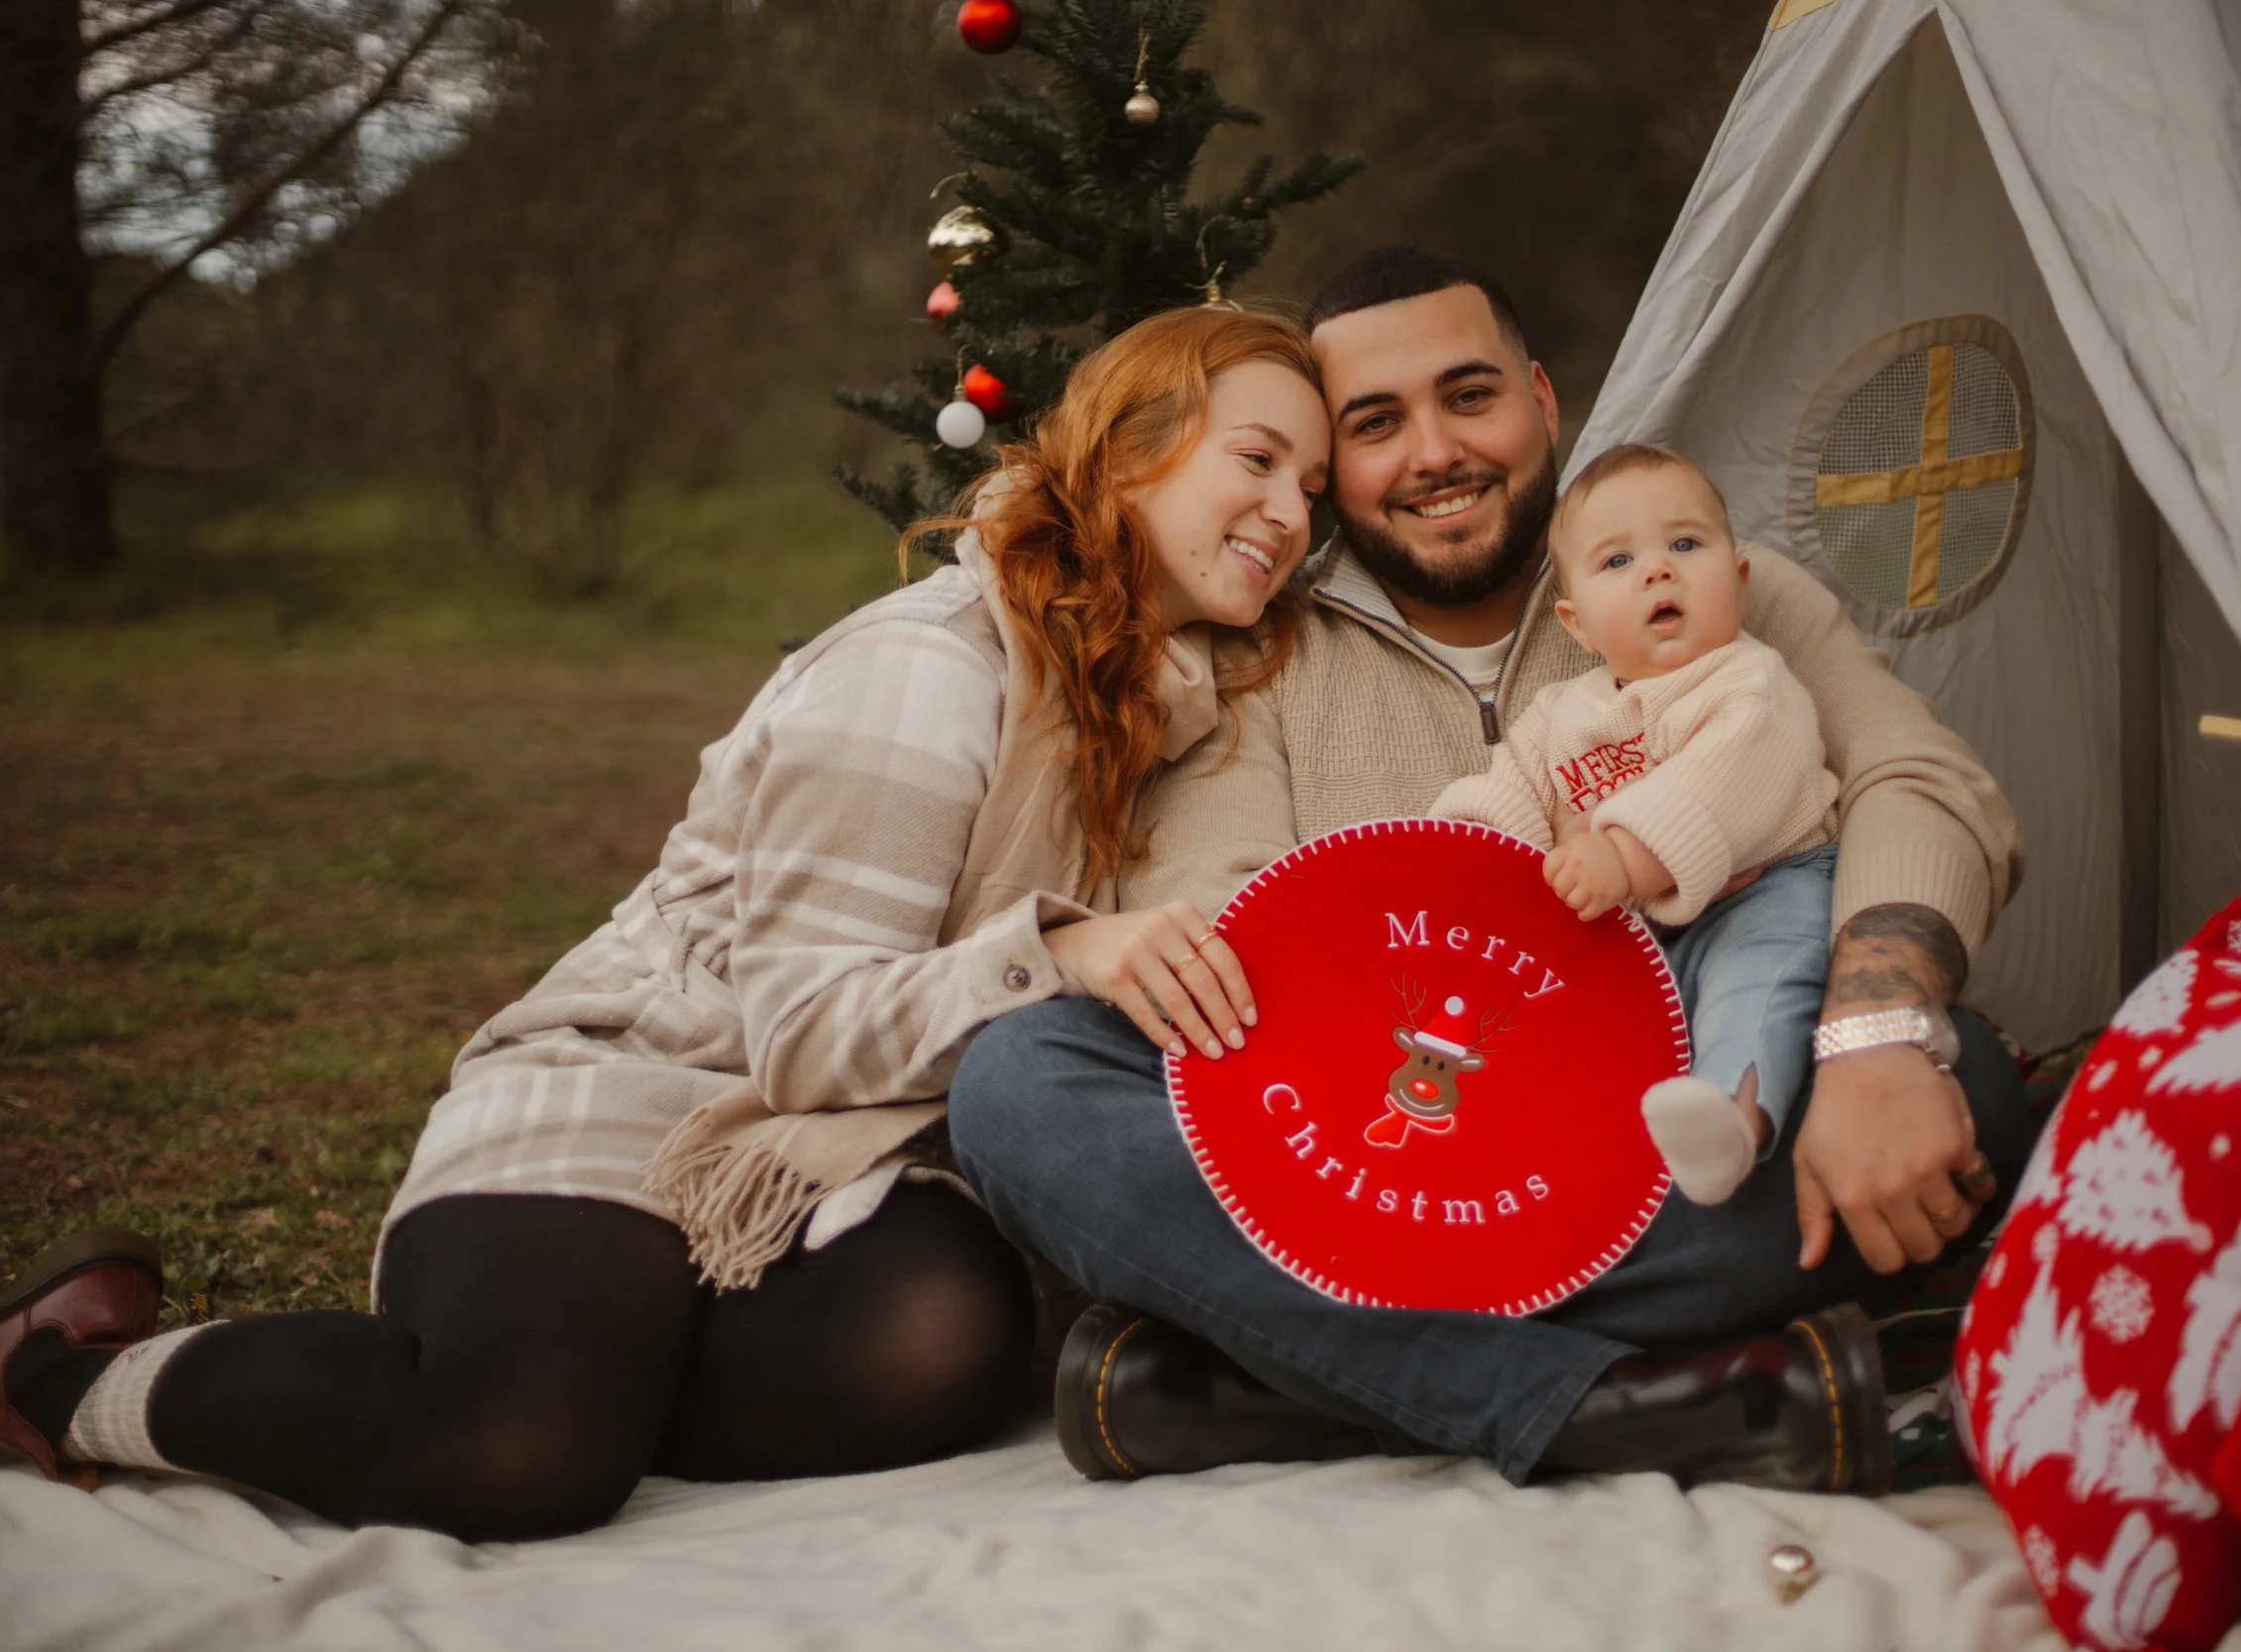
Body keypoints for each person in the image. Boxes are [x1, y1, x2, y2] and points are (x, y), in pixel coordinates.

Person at [0, 306, 1326, 1541]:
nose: (1288, 511)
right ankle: (64, 1371)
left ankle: (576, 1368)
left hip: (816, 1151)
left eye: (1313, 489)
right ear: (1133, 450)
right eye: (1258, 458)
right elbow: (802, 1020)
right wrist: (1071, 948)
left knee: (940, 1336)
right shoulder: (931, 664)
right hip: (640, 1088)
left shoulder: (1163, 705)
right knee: (519, 1449)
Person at [945, 248, 2029, 1490]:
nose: (1433, 453)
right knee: (1021, 1081)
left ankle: (1277, 1381)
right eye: (1375, 423)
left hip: (1654, 1129)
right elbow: (1221, 941)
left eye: (1469, 397)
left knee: (1970, 1083)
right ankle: (1607, 1405)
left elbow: (1926, 783)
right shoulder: (1255, 649)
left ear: (1541, 401)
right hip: (1378, 1149)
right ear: (1327, 467)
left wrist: (1875, 1029)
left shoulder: (1701, 577)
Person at [1430, 441, 1841, 1208]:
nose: (1658, 569)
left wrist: (1622, 854)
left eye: (1686, 545)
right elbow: (1509, 794)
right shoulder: (1563, 711)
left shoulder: (1750, 680)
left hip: (1767, 895)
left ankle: (1731, 1124)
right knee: (1586, 1028)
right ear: (1577, 623)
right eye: (1618, 562)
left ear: (1739, 581)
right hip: (1637, 932)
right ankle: (1591, 1162)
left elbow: (1729, 777)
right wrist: (1452, 864)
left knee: (1758, 989)